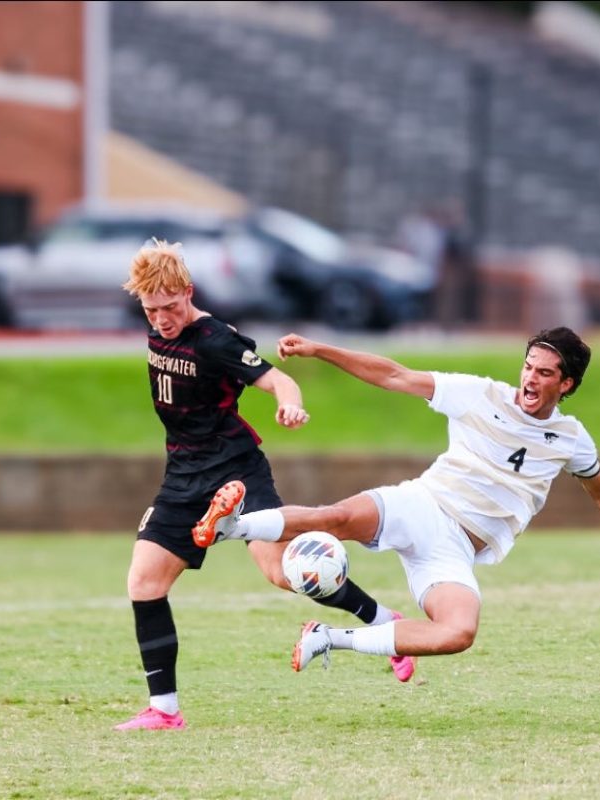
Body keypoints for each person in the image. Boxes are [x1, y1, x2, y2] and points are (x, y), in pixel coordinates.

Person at [191, 327, 600, 673]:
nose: (530, 378)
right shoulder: (479, 393)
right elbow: (393, 374)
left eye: (545, 373)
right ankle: (230, 526)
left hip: (454, 550)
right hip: (424, 504)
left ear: (566, 384)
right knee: (337, 517)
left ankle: (330, 637)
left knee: (458, 632)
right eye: (529, 366)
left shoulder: (571, 439)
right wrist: (321, 349)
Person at [115, 240, 415, 732]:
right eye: (152, 311)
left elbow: (279, 381)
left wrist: (289, 404)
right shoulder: (157, 330)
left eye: (171, 307)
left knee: (281, 572)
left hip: (235, 470)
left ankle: (387, 622)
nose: (163, 319)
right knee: (144, 583)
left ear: (188, 292)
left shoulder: (215, 338)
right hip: (183, 476)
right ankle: (164, 711)